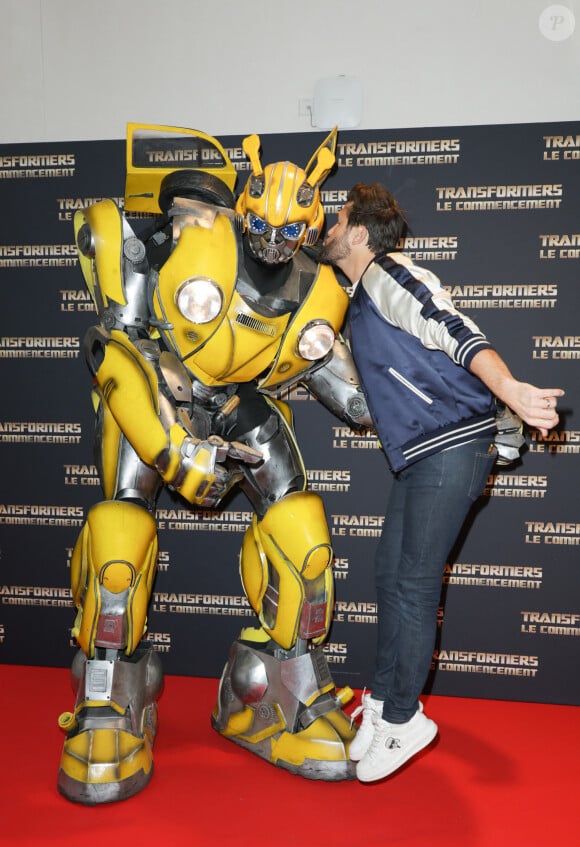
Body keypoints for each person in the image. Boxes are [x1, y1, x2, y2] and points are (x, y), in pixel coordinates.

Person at [56, 125, 372, 804]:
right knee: (120, 542)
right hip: (158, 385)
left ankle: (274, 695)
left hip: (240, 402)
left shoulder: (317, 289)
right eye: (261, 224)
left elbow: (357, 396)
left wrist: (455, 410)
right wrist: (172, 447)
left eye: (290, 232)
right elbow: (117, 350)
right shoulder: (167, 245)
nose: (272, 242)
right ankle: (108, 699)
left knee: (304, 542)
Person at [319, 182, 564, 784]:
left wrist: (510, 392)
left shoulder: (389, 274)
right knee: (390, 572)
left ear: (358, 232)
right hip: (426, 452)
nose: (327, 225)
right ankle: (383, 699)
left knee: (413, 581)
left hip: (452, 444)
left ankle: (404, 719)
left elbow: (452, 328)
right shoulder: (357, 292)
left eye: (339, 217)